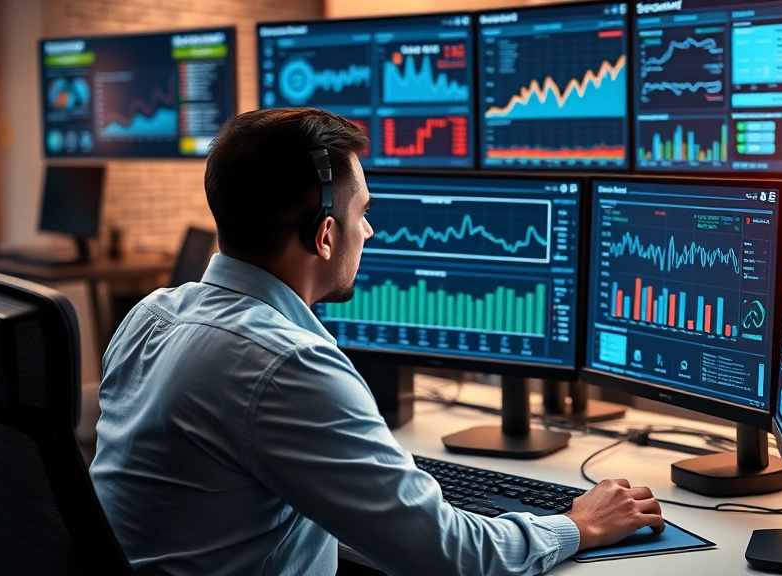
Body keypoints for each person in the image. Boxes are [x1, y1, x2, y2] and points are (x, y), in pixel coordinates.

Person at [90, 108, 665, 576]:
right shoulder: (287, 366)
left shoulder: (153, 315)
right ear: (324, 235)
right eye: (362, 212)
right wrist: (576, 524)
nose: (369, 231)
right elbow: (447, 558)